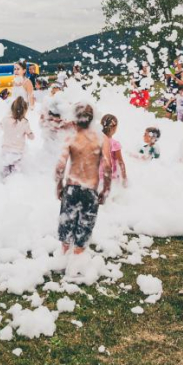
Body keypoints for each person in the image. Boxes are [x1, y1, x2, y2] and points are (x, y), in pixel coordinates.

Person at [55, 104, 111, 255]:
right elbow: (107, 167)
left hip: (72, 189)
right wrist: (105, 189)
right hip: (90, 190)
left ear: (75, 120)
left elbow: (60, 166)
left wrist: (59, 186)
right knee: (84, 231)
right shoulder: (101, 139)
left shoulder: (71, 138)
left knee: (66, 229)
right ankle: (76, 264)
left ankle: (64, 258)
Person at [0, 96, 34, 178]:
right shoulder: (24, 122)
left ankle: (2, 183)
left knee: (5, 171)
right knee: (16, 174)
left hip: (5, 151)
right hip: (17, 153)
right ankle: (14, 185)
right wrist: (30, 133)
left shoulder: (5, 119)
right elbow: (31, 137)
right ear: (24, 111)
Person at [100, 114, 127, 184]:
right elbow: (121, 162)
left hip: (98, 178)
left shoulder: (96, 141)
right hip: (111, 179)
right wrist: (124, 178)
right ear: (114, 128)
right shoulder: (115, 144)